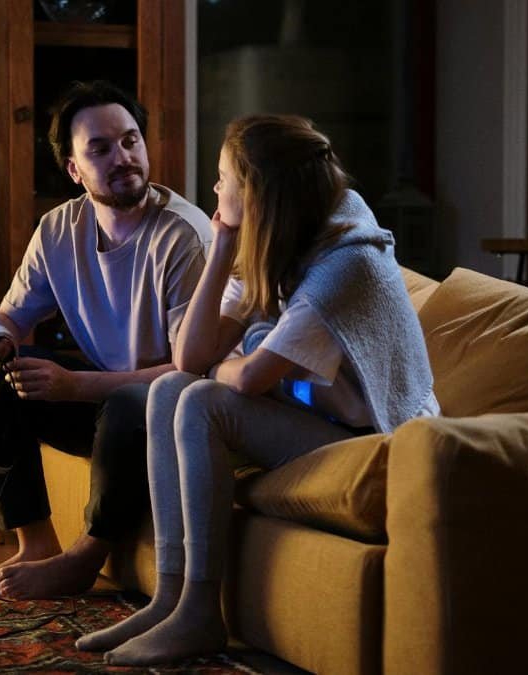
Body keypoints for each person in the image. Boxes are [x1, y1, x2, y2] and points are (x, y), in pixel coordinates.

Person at [75, 114, 438, 665]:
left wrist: (229, 362)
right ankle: (171, 599)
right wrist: (221, 246)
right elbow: (190, 356)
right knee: (174, 386)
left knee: (200, 399)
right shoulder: (281, 237)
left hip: (380, 442)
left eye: (225, 178)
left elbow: (245, 378)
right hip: (325, 423)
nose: (215, 188)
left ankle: (200, 610)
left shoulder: (344, 263)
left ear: (260, 193)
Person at [0, 80, 212, 600]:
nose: (124, 157)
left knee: (134, 400)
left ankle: (85, 558)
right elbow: (14, 319)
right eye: (101, 149)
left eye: (131, 141)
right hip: (108, 411)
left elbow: (192, 370)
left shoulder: (183, 236)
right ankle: (36, 544)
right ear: (74, 169)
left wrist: (77, 385)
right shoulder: (57, 230)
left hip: (171, 414)